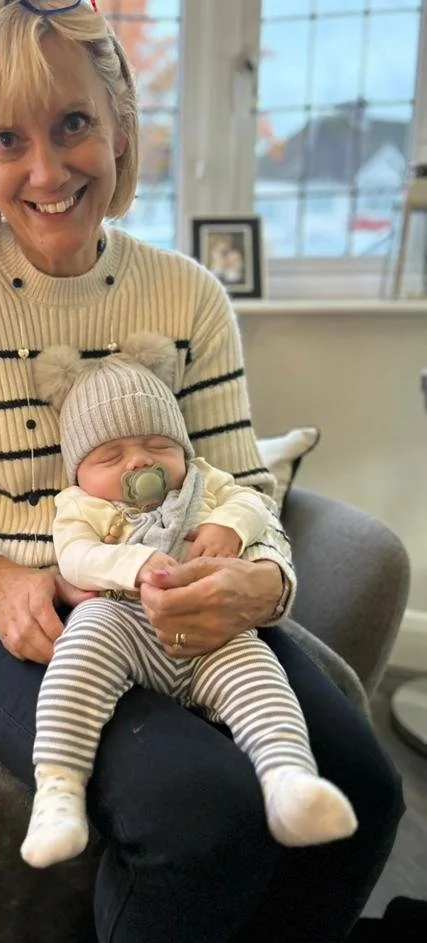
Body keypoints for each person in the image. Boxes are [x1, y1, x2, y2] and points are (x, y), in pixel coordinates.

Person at [0, 0, 404, 943]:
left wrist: (256, 575)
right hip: (13, 612)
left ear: (120, 126)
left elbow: (239, 477)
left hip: (172, 579)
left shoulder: (187, 296)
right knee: (196, 811)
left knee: (367, 787)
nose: (47, 169)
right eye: (7, 138)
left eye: (71, 124)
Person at [20, 337, 357, 867]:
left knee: (258, 672)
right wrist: (132, 565)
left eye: (159, 446)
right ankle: (59, 792)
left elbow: (254, 501)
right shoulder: (78, 505)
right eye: (110, 455)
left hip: (214, 628)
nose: (139, 461)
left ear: (183, 450)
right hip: (125, 622)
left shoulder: (207, 483)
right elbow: (76, 558)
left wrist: (228, 523)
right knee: (82, 646)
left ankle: (288, 780)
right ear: (78, 471)